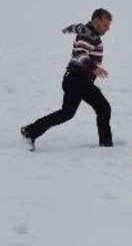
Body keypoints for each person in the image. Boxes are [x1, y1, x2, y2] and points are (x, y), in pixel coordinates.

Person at [21, 9, 114, 151]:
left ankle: (30, 131)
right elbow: (80, 54)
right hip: (77, 80)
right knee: (103, 108)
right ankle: (106, 146)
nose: (108, 29)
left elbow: (77, 26)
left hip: (76, 80)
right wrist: (93, 68)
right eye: (105, 25)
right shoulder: (87, 36)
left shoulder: (87, 31)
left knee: (67, 113)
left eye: (108, 25)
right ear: (96, 21)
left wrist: (70, 29)